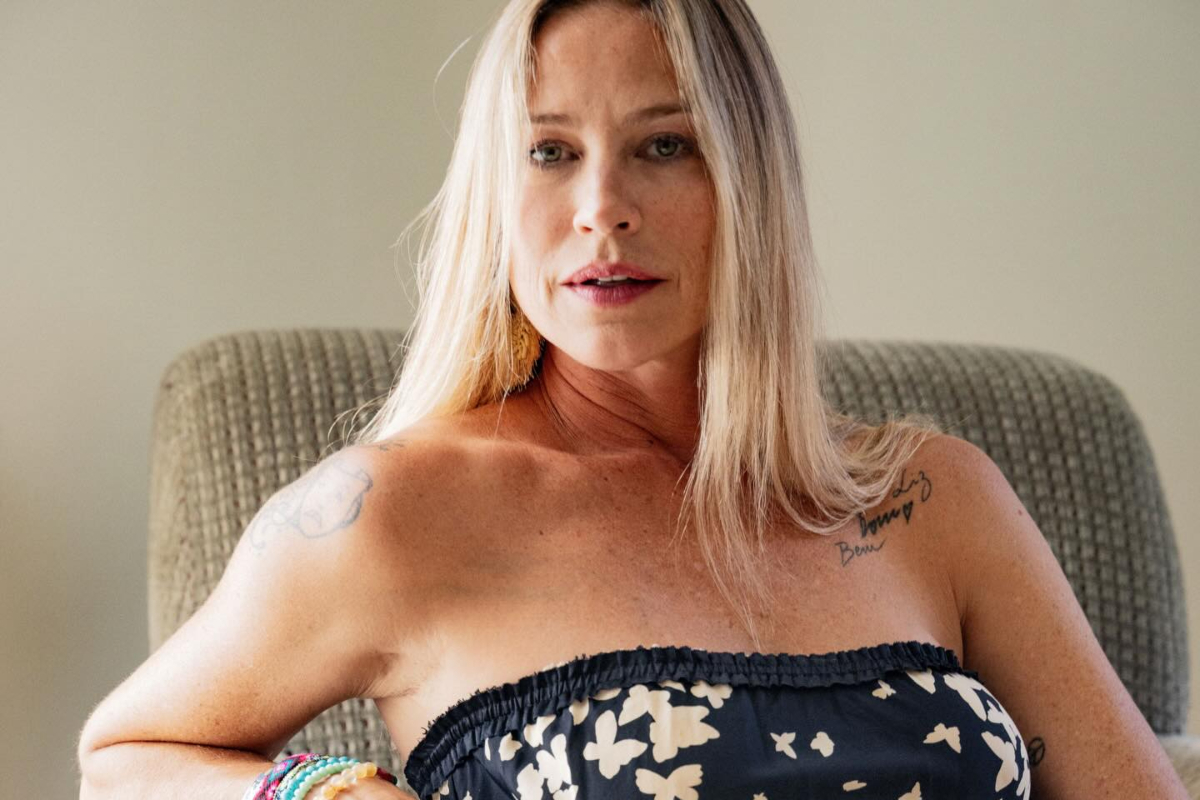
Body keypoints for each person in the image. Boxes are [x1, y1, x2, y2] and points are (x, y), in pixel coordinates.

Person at [77, 1, 1191, 798]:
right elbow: (122, 757)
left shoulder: (936, 496)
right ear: (494, 198)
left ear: (750, 185)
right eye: (549, 151)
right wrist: (322, 792)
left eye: (665, 145)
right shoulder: (391, 512)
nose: (602, 207)